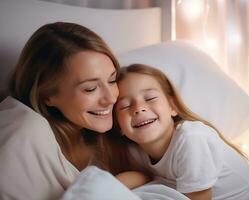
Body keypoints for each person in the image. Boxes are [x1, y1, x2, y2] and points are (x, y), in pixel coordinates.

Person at [0, 22, 152, 199]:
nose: (111, 98)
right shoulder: (24, 135)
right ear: (47, 95)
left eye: (112, 80)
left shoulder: (116, 127)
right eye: (90, 88)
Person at [115, 63, 249, 200]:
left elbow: (199, 198)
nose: (138, 108)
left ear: (172, 107)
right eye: (125, 106)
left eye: (150, 98)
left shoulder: (192, 139)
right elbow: (144, 174)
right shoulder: (134, 149)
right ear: (119, 126)